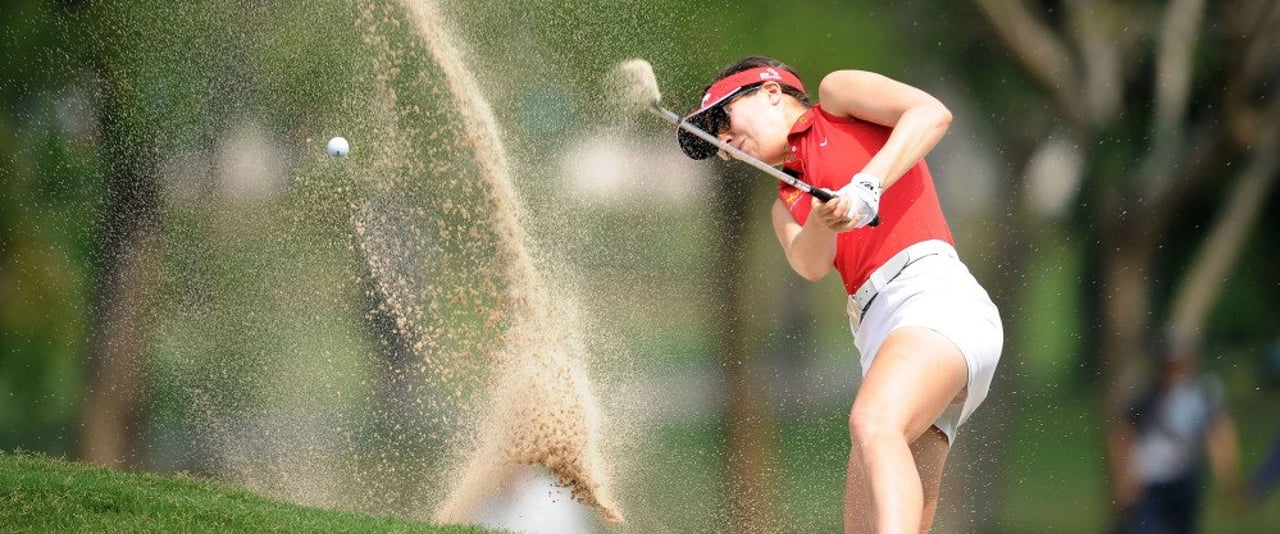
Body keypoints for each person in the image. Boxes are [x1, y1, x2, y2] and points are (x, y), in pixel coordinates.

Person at [677, 56, 1003, 533]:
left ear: (771, 92)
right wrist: (821, 219)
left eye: (724, 118)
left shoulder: (836, 98)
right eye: (716, 136)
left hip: (932, 297)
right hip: (879, 333)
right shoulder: (786, 203)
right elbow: (810, 263)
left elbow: (931, 114)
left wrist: (868, 184)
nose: (724, 140)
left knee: (872, 423)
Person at [1106, 331, 1242, 534]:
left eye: (1177, 365)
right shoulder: (1146, 395)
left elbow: (1219, 434)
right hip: (1149, 480)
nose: (1172, 372)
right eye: (1167, 366)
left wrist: (1227, 476)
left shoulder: (1202, 394)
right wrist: (1124, 478)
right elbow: (1123, 434)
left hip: (1185, 480)